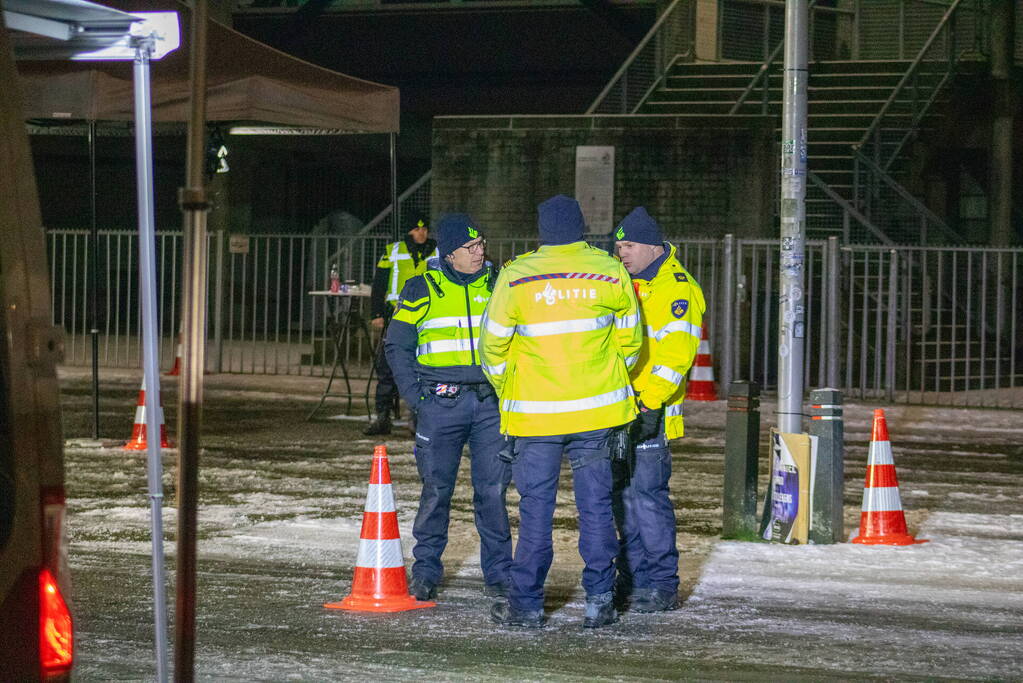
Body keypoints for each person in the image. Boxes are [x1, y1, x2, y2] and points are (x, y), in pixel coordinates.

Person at [479, 194, 642, 629]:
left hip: (536, 418)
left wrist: (509, 387)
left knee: (535, 511)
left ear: (542, 231)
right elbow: (631, 344)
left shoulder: (515, 276)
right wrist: (602, 380)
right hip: (597, 416)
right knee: (596, 508)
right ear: (582, 228)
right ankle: (600, 602)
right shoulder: (609, 271)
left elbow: (492, 349)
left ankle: (526, 606)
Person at [383, 214, 512, 601]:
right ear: (449, 254)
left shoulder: (499, 284)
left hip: (490, 405)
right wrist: (417, 398)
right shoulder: (421, 287)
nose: (479, 252)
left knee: (492, 492)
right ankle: (425, 573)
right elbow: (397, 345)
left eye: (481, 244)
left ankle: (500, 575)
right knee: (436, 491)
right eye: (469, 248)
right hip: (441, 403)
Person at [611, 206, 705, 613]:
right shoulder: (627, 283)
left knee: (647, 497)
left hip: (650, 411)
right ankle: (635, 577)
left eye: (629, 245)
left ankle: (663, 584)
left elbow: (676, 356)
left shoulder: (676, 288)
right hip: (618, 410)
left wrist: (649, 403)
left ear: (652, 246)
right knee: (623, 498)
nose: (622, 254)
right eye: (618, 247)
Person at [365, 212, 438, 435]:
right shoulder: (393, 251)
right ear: (408, 232)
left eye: (424, 228)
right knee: (387, 368)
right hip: (395, 316)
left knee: (422, 368)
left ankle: (417, 419)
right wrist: (376, 313)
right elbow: (379, 284)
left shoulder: (437, 251)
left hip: (427, 317)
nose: (421, 232)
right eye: (416, 229)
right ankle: (383, 417)